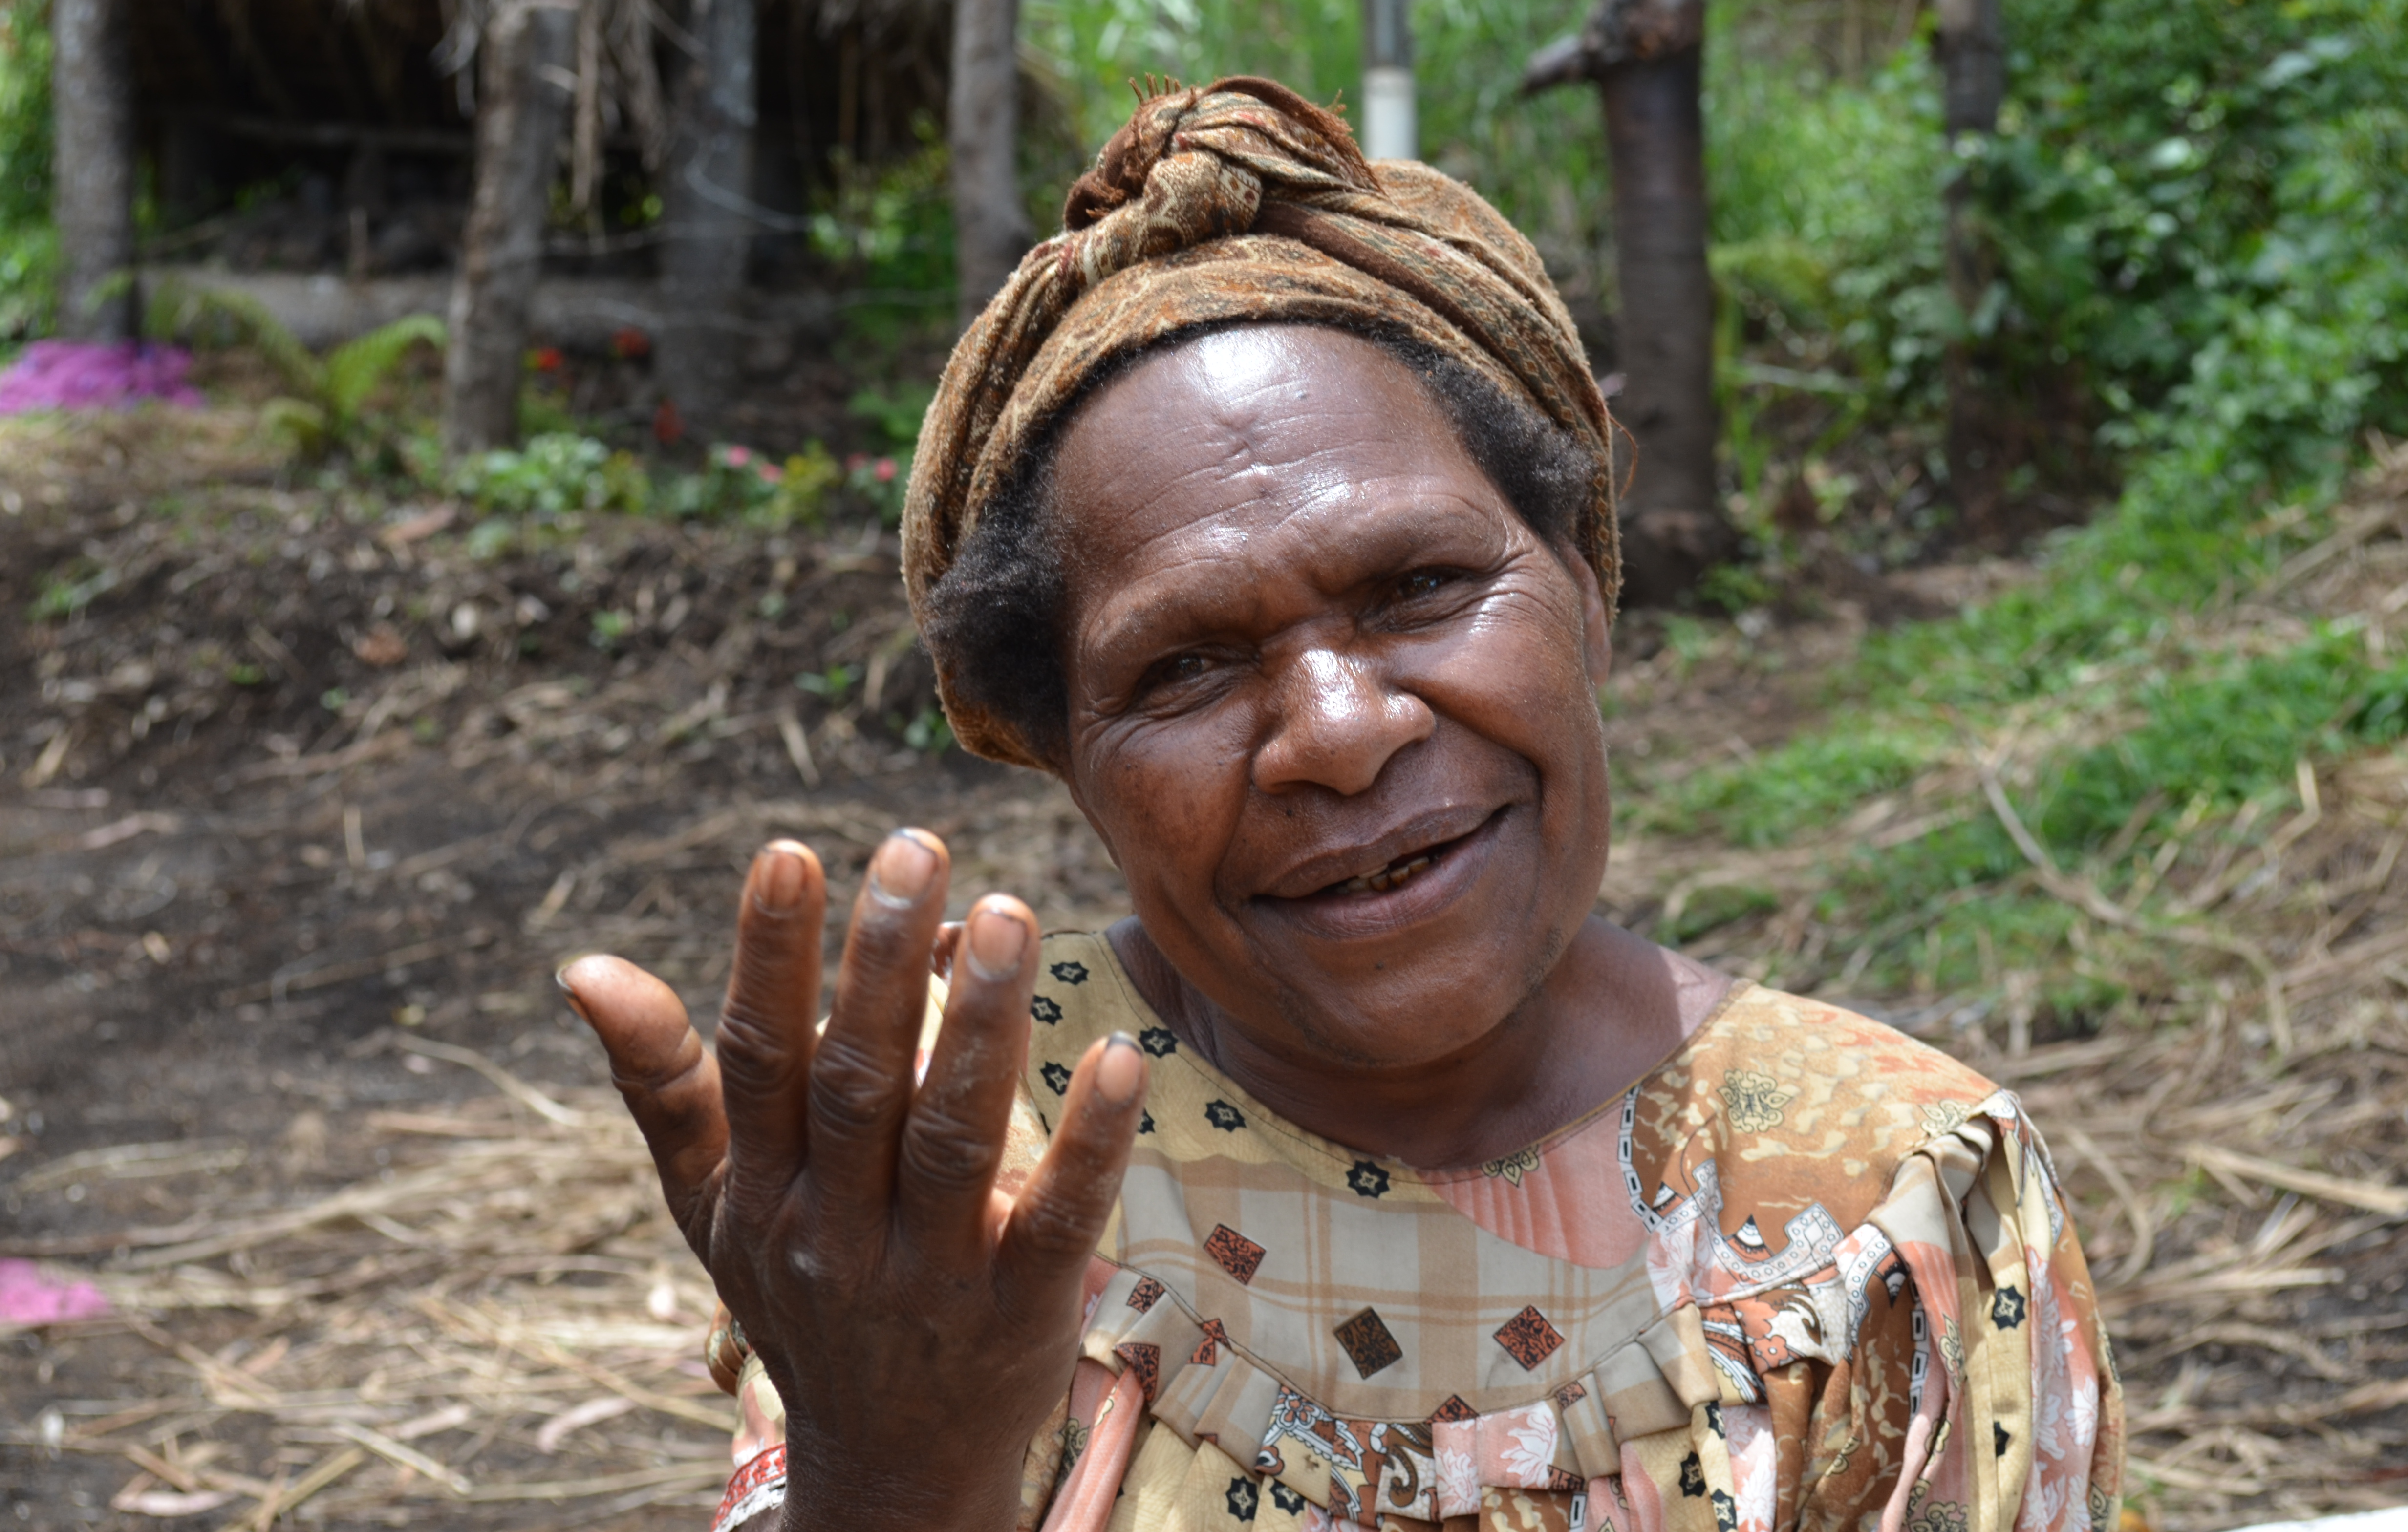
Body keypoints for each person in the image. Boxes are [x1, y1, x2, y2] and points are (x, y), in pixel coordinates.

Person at [556, 78, 2124, 1532]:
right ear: (1058, 751)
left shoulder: (1895, 1201)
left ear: (1586, 588)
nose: (1339, 733)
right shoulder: (967, 1166)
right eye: (1182, 668)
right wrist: (891, 1475)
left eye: (1423, 587)